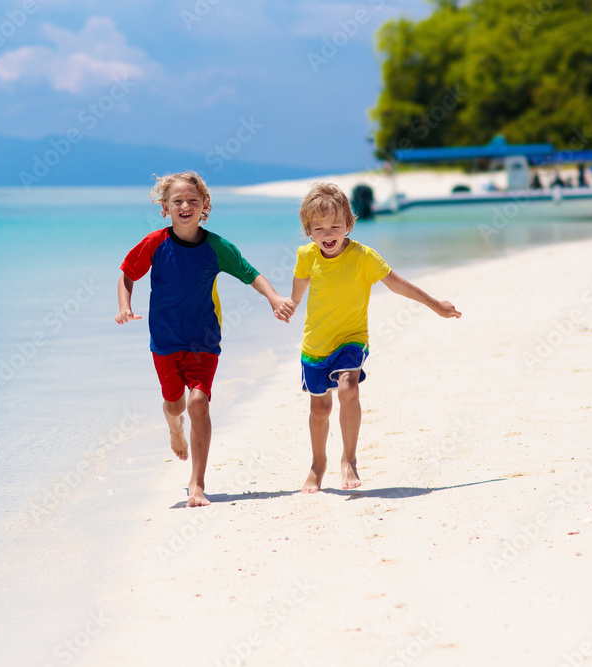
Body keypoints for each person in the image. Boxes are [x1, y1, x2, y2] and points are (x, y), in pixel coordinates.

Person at [115, 171, 294, 507]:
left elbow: (250, 273)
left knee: (198, 402)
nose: (185, 206)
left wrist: (274, 298)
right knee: (174, 404)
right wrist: (124, 306)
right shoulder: (155, 243)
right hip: (165, 339)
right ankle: (174, 429)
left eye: (193, 201)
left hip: (204, 339)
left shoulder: (216, 247)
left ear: (205, 206)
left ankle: (197, 484)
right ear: (165, 207)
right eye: (177, 201)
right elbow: (127, 273)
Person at [276, 183, 461, 493]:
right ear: (308, 230)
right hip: (315, 344)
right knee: (319, 409)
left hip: (352, 338)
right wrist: (289, 305)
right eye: (319, 227)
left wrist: (435, 305)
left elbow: (398, 285)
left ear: (349, 224)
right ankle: (317, 463)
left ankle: (348, 460)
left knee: (348, 387)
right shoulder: (306, 255)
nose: (328, 233)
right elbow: (299, 287)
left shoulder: (364, 256)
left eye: (335, 225)